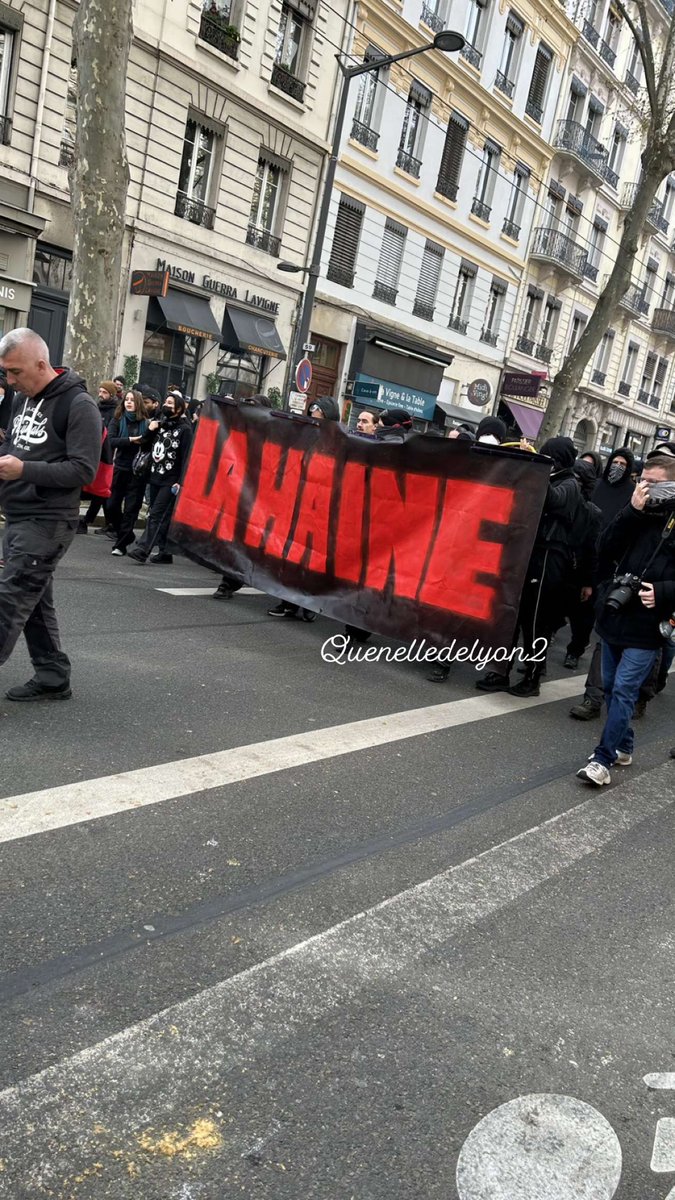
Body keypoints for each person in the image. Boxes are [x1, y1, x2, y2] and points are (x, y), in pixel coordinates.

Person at [0, 328, 101, 700]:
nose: (10, 381)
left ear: (41, 365)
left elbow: (83, 471)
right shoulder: (21, 398)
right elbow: (16, 448)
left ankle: (52, 675)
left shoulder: (80, 405)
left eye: (15, 372)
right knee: (34, 602)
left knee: (9, 601)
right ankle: (53, 676)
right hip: (18, 515)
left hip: (48, 522)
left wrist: (23, 471)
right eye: (5, 373)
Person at [576, 455, 675, 785]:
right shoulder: (636, 508)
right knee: (611, 690)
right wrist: (632, 511)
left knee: (623, 691)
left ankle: (602, 760)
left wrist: (662, 593)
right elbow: (605, 547)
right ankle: (625, 746)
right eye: (642, 481)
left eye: (655, 483)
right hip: (615, 613)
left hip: (647, 624)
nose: (646, 488)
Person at [477, 437, 582, 697]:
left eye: (549, 455)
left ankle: (532, 678)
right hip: (526, 554)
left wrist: (536, 464)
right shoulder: (553, 477)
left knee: (535, 623)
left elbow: (554, 500)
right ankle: (500, 670)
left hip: (548, 560)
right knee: (509, 617)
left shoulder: (570, 483)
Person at [570, 447, 636, 720]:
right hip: (591, 558)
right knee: (592, 623)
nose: (617, 467)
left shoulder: (633, 497)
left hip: (619, 574)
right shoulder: (599, 488)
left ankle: (628, 698)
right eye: (615, 462)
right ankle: (593, 697)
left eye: (623, 463)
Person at [128, 393, 192, 564]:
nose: (166, 405)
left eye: (170, 403)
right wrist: (150, 430)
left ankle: (143, 549)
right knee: (160, 515)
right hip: (155, 475)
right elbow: (144, 444)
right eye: (166, 402)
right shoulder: (160, 425)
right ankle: (165, 551)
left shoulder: (185, 430)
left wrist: (181, 481)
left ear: (179, 409)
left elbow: (187, 457)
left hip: (171, 480)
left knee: (156, 514)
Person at [564, 459, 603, 670]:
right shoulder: (562, 503)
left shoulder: (592, 512)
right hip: (558, 568)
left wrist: (588, 582)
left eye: (578, 479)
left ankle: (574, 651)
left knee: (580, 619)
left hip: (578, 572)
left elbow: (592, 549)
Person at [107, 390, 149, 556]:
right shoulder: (117, 420)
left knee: (132, 508)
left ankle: (121, 544)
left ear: (138, 403)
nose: (129, 402)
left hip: (138, 471)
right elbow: (111, 441)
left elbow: (148, 443)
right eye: (126, 400)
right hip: (121, 467)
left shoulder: (145, 422)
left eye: (132, 400)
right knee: (111, 506)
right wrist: (131, 440)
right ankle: (126, 534)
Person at [78, 381, 119, 533]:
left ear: (112, 394)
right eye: (100, 391)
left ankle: (89, 521)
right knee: (97, 490)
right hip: (93, 452)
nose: (101, 395)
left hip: (107, 455)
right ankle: (109, 523)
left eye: (104, 392)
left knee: (100, 490)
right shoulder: (95, 407)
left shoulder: (115, 412)